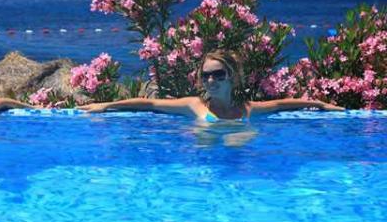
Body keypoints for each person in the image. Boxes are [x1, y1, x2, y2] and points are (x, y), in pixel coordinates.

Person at [80, 49, 343, 125]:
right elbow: (150, 103)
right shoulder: (195, 106)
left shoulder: (248, 109)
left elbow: (281, 104)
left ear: (232, 77)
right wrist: (107, 105)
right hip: (205, 169)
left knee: (241, 137)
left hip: (237, 167)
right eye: (206, 76)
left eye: (218, 75)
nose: (210, 81)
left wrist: (320, 104)